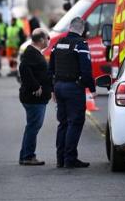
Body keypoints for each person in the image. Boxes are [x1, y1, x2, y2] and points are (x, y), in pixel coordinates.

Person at [48, 16, 96, 169]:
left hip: (59, 87)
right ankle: (70, 159)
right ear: (82, 30)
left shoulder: (58, 43)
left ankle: (60, 159)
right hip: (73, 88)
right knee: (75, 122)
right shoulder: (80, 44)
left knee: (63, 123)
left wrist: (52, 89)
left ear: (70, 28)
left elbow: (51, 69)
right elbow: (86, 70)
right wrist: (92, 88)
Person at [18, 28, 52, 165]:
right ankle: (28, 156)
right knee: (33, 126)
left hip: (36, 98)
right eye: (48, 37)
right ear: (42, 40)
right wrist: (35, 86)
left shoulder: (34, 52)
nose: (49, 40)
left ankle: (25, 155)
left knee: (31, 126)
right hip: (34, 98)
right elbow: (23, 68)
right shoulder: (31, 52)